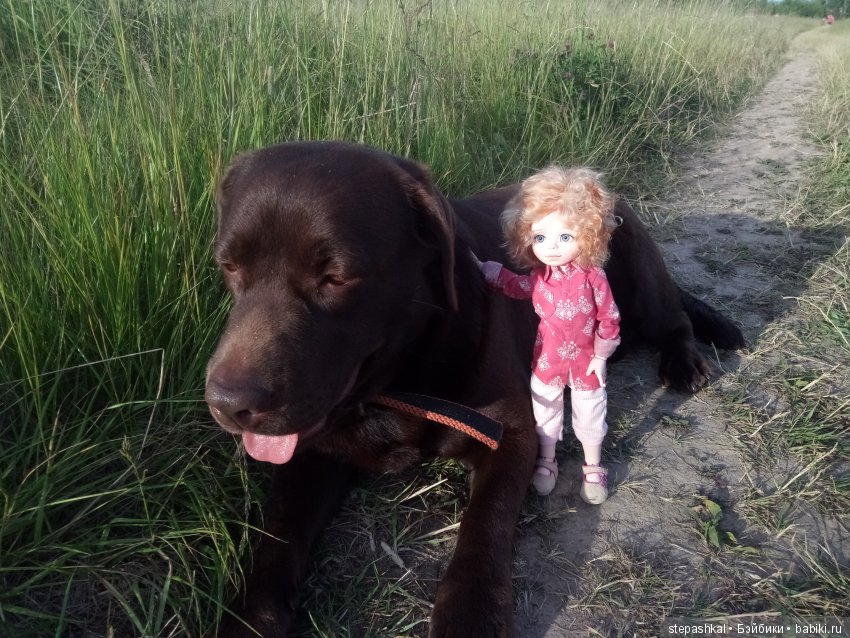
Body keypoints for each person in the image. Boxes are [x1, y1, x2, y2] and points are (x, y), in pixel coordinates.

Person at [475, 166, 621, 502]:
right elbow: (517, 286)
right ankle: (547, 458)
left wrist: (601, 355)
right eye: (540, 237)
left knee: (590, 411)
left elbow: (609, 316)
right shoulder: (540, 278)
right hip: (548, 358)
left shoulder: (593, 277)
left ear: (588, 233)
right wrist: (486, 269)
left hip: (586, 360)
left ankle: (593, 464)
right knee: (545, 409)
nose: (551, 247)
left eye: (565, 237)